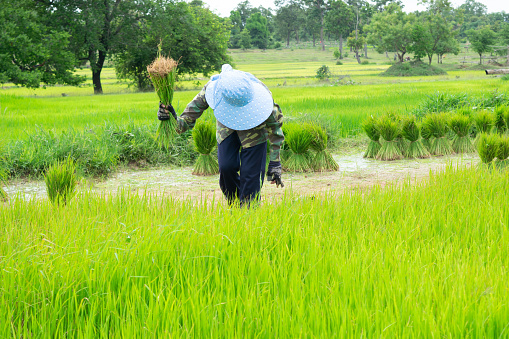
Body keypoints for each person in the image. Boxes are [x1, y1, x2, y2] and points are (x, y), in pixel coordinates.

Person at [157, 64, 285, 206]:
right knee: (226, 167)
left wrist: (275, 162)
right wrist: (171, 118)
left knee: (251, 176)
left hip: (254, 132)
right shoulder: (213, 89)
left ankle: (249, 209)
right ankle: (235, 203)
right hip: (227, 129)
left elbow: (276, 131)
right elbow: (185, 121)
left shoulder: (263, 100)